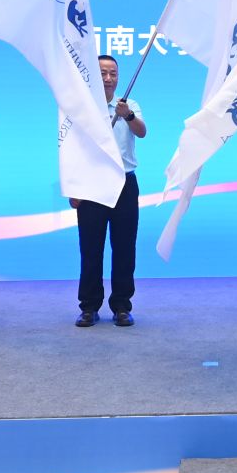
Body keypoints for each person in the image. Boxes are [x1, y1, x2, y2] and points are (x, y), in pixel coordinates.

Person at [75, 55, 144, 327]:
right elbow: (71, 149)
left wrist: (128, 115)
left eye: (113, 73)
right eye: (103, 73)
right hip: (92, 184)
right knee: (91, 248)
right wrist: (74, 186)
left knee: (125, 247)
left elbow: (142, 132)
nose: (108, 78)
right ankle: (89, 307)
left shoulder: (129, 105)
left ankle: (122, 306)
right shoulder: (82, 106)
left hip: (124, 183)